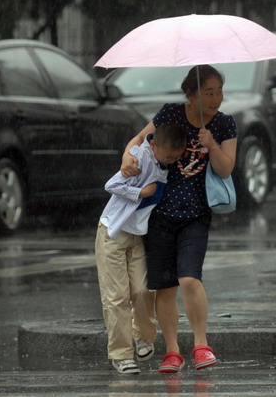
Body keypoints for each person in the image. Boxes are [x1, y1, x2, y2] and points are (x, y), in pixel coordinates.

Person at [120, 65, 237, 373]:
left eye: (219, 92)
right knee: (164, 287)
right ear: (191, 94)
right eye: (209, 92)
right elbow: (138, 140)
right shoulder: (170, 114)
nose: (216, 99)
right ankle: (172, 351)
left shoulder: (225, 124)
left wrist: (210, 144)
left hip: (196, 216)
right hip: (159, 215)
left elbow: (226, 169)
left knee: (189, 278)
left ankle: (201, 344)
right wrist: (127, 157)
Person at [95, 123, 186, 374]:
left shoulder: (166, 164)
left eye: (176, 157)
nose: (171, 160)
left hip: (137, 236)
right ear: (153, 145)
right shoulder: (140, 157)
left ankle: (143, 336)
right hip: (113, 232)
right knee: (116, 296)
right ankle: (121, 354)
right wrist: (140, 192)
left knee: (144, 289)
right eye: (168, 156)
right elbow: (111, 185)